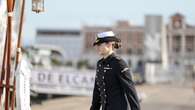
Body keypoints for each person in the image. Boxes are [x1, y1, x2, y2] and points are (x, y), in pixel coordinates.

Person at [90, 31, 141, 110]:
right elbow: (97, 92)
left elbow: (130, 90)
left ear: (109, 44)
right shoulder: (99, 64)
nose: (97, 47)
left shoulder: (119, 63)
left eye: (99, 44)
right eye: (97, 45)